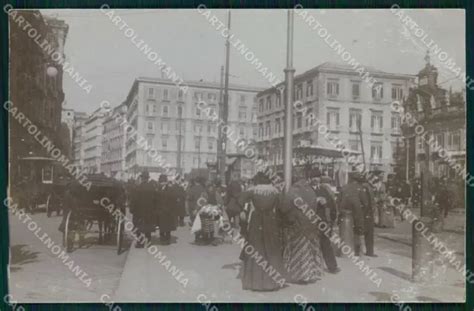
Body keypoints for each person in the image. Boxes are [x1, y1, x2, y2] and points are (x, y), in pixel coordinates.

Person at [239, 171, 285, 291]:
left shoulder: (253, 190)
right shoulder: (275, 191)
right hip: (270, 220)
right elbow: (282, 207)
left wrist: (243, 212)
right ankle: (272, 282)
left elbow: (240, 200)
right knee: (271, 248)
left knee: (256, 248)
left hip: (256, 220)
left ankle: (255, 282)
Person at [282, 170, 325, 284]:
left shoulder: (293, 191)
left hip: (297, 225)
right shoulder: (311, 190)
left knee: (298, 251)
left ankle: (299, 276)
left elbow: (284, 208)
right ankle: (310, 274)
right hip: (311, 226)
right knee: (310, 251)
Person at [313, 174, 340, 273]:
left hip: (323, 220)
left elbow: (331, 204)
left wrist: (332, 220)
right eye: (313, 178)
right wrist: (315, 201)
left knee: (325, 243)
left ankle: (332, 266)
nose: (315, 180)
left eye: (316, 178)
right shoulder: (308, 190)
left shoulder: (324, 190)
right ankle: (315, 268)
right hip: (312, 219)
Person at [340, 172, 365, 257]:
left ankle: (345, 250)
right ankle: (358, 251)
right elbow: (365, 202)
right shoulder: (360, 188)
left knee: (346, 231)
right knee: (358, 230)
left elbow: (339, 201)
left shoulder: (344, 187)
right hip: (357, 212)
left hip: (345, 213)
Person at [129, 171, 157, 248]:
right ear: (147, 178)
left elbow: (134, 200)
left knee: (138, 227)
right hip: (149, 211)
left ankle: (140, 243)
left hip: (139, 212)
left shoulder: (138, 188)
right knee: (148, 226)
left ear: (142, 178)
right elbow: (155, 200)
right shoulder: (152, 188)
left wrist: (132, 209)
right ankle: (149, 242)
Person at [156, 174, 177, 245]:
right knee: (161, 227)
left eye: (162, 182)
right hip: (160, 212)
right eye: (160, 182)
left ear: (165, 182)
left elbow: (173, 201)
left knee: (168, 227)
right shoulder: (158, 189)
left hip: (168, 212)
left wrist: (169, 209)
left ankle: (167, 239)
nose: (161, 183)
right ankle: (162, 239)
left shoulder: (170, 190)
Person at [359, 177, 377, 257]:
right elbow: (368, 202)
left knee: (362, 232)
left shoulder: (364, 187)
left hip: (364, 213)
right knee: (369, 233)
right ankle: (370, 252)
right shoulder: (367, 187)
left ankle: (359, 251)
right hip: (367, 213)